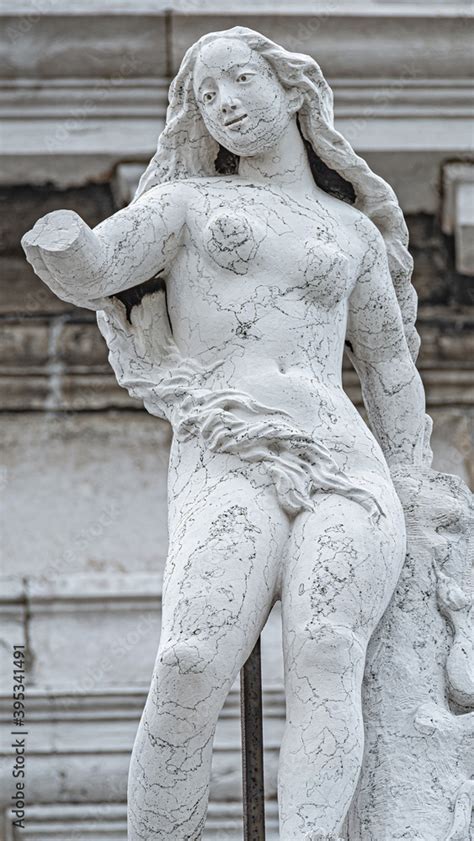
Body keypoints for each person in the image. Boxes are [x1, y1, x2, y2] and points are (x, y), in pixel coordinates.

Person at [22, 26, 430, 841]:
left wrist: (416, 487)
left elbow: (389, 369)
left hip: (344, 462)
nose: (227, 105)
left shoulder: (350, 232)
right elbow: (100, 267)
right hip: (229, 443)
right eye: (207, 96)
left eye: (241, 81)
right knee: (189, 659)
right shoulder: (187, 205)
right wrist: (65, 248)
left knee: (325, 649)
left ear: (290, 90)